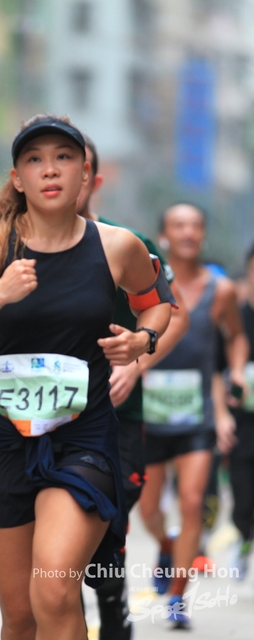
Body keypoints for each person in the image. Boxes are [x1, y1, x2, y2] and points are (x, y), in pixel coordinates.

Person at [0, 114, 174, 640]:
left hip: (83, 439)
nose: (50, 169)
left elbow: (157, 302)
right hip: (5, 440)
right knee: (21, 617)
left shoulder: (116, 245)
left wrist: (143, 340)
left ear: (85, 173)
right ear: (17, 178)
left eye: (63, 157)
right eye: (35, 160)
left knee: (56, 590)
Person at [76, 138, 189, 640]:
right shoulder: (12, 244)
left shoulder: (127, 243)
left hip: (120, 413)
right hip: (49, 415)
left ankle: (112, 608)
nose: (59, 174)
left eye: (75, 165)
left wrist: (138, 361)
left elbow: (174, 313)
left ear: (94, 180)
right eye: (41, 161)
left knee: (107, 518)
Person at [138, 203, 248, 627]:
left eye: (196, 226)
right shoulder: (144, 283)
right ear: (164, 235)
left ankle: (177, 597)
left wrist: (235, 368)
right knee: (149, 510)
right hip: (149, 414)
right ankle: (167, 546)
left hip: (197, 415)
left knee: (191, 503)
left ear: (203, 234)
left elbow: (236, 337)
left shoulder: (221, 290)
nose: (188, 232)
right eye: (179, 225)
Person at [227, 243, 254, 579]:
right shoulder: (236, 319)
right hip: (242, 424)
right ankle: (243, 536)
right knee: (243, 499)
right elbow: (216, 366)